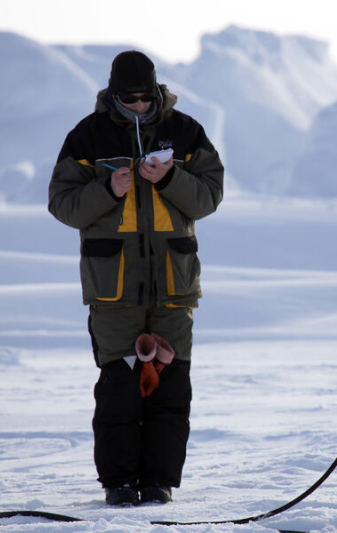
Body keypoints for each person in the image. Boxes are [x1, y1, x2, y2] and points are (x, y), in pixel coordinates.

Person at [49, 51, 224, 506]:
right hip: (114, 291)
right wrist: (108, 190)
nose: (141, 106)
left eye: (147, 98)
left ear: (156, 90)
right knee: (120, 391)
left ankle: (159, 482)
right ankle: (120, 483)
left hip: (174, 286)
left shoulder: (186, 131)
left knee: (170, 389)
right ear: (114, 93)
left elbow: (208, 197)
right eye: (131, 99)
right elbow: (62, 204)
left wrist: (169, 179)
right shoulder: (87, 136)